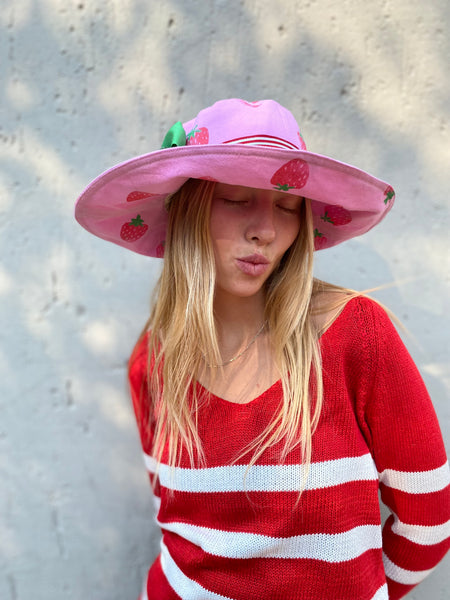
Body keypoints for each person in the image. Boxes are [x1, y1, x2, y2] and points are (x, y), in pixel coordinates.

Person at [75, 99, 450, 600]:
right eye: (235, 198)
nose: (266, 230)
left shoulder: (354, 335)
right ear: (188, 209)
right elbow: (176, 523)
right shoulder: (155, 358)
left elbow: (428, 523)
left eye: (287, 205)